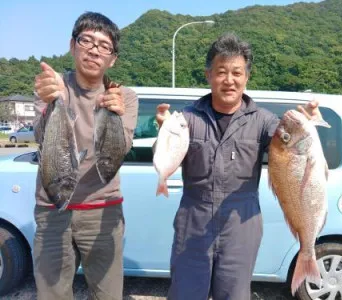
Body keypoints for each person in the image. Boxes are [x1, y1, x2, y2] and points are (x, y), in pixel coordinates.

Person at [155, 33, 322, 300]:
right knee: (185, 293)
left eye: (237, 72)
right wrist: (164, 131)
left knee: (234, 295)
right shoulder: (187, 118)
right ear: (208, 75)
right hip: (193, 221)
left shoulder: (265, 121)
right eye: (221, 72)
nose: (229, 80)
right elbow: (165, 158)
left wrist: (309, 126)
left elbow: (291, 150)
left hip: (241, 223)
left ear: (247, 77)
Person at [33, 12, 138, 300]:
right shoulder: (51, 85)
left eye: (104, 46)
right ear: (72, 44)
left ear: (112, 59)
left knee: (108, 294)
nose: (94, 50)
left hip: (103, 208)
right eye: (86, 40)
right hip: (52, 208)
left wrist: (115, 115)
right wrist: (49, 102)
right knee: (51, 294)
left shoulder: (124, 96)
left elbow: (120, 149)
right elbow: (42, 140)